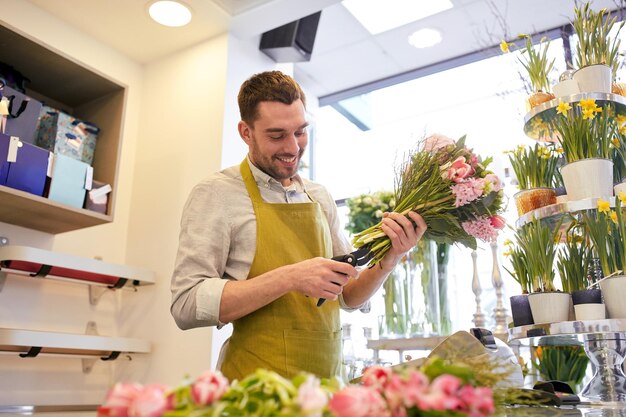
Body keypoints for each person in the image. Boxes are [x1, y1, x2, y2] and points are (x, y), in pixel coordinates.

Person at [170, 70, 427, 381]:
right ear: (246, 132)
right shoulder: (216, 193)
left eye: (301, 132)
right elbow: (185, 304)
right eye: (277, 135)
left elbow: (348, 295)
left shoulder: (319, 196)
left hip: (326, 387)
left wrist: (391, 258)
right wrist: (291, 276)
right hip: (255, 393)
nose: (292, 148)